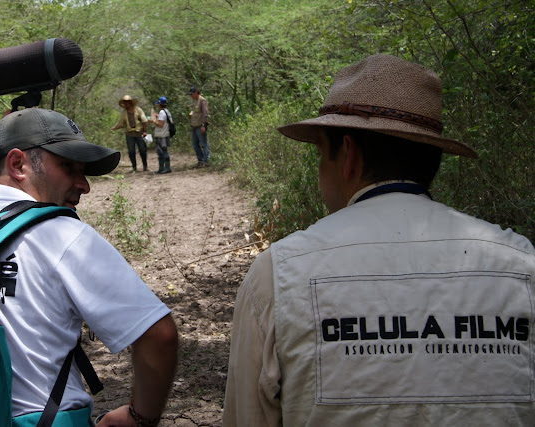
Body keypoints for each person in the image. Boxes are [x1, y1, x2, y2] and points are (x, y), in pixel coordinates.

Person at [223, 54, 535, 426]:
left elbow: (248, 418)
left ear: (349, 155)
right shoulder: (522, 262)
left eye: (322, 154)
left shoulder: (278, 273)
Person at [0, 108, 178, 427]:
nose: (84, 185)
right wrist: (139, 418)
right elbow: (158, 335)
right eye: (68, 166)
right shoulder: (61, 235)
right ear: (17, 164)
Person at [111, 95, 149, 172]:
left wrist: (145, 131)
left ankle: (145, 166)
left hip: (139, 133)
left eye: (127, 102)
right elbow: (121, 123)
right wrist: (114, 128)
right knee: (131, 151)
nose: (126, 104)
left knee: (142, 150)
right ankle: (134, 167)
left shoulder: (138, 110)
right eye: (124, 103)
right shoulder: (124, 113)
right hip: (129, 134)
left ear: (130, 102)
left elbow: (144, 121)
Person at [149, 96, 173, 174]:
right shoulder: (166, 111)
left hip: (162, 135)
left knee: (163, 151)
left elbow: (161, 124)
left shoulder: (162, 112)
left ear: (160, 104)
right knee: (161, 151)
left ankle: (166, 168)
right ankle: (162, 168)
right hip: (165, 134)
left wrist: (153, 121)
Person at [188, 86, 210, 167]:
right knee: (195, 144)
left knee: (203, 144)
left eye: (192, 94)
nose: (191, 96)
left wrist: (203, 125)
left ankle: (206, 161)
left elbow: (205, 114)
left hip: (200, 126)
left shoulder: (202, 101)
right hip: (194, 126)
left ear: (196, 92)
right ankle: (200, 161)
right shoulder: (195, 101)